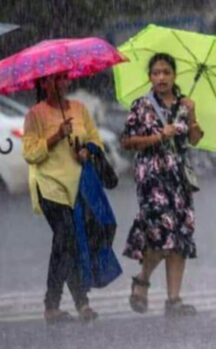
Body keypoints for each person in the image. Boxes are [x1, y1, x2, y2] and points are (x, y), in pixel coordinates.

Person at [120, 53, 204, 317]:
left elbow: (195, 139)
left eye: (166, 72)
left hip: (178, 178)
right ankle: (142, 279)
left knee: (179, 236)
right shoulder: (141, 105)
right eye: (156, 73)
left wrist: (192, 115)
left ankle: (174, 299)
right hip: (152, 177)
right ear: (150, 77)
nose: (161, 78)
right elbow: (127, 141)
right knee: (160, 233)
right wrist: (157, 136)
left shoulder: (183, 103)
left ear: (174, 75)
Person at [22, 72, 103, 324]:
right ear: (43, 84)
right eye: (51, 80)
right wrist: (56, 135)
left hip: (77, 187)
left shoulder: (79, 109)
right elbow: (31, 154)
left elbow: (95, 142)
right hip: (49, 187)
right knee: (66, 237)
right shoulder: (35, 114)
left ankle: (63, 305)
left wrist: (86, 152)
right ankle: (70, 303)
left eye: (62, 78)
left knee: (68, 244)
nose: (58, 84)